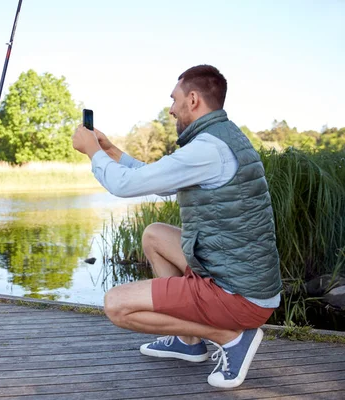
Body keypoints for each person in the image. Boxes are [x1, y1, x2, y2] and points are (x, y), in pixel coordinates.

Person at [71, 65, 282, 389]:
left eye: (174, 99)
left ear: (193, 99)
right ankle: (187, 341)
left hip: (239, 294)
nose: (170, 108)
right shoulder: (222, 138)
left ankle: (230, 337)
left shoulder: (207, 149)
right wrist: (111, 151)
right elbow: (160, 181)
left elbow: (124, 186)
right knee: (154, 234)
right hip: (241, 277)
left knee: (117, 305)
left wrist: (93, 152)